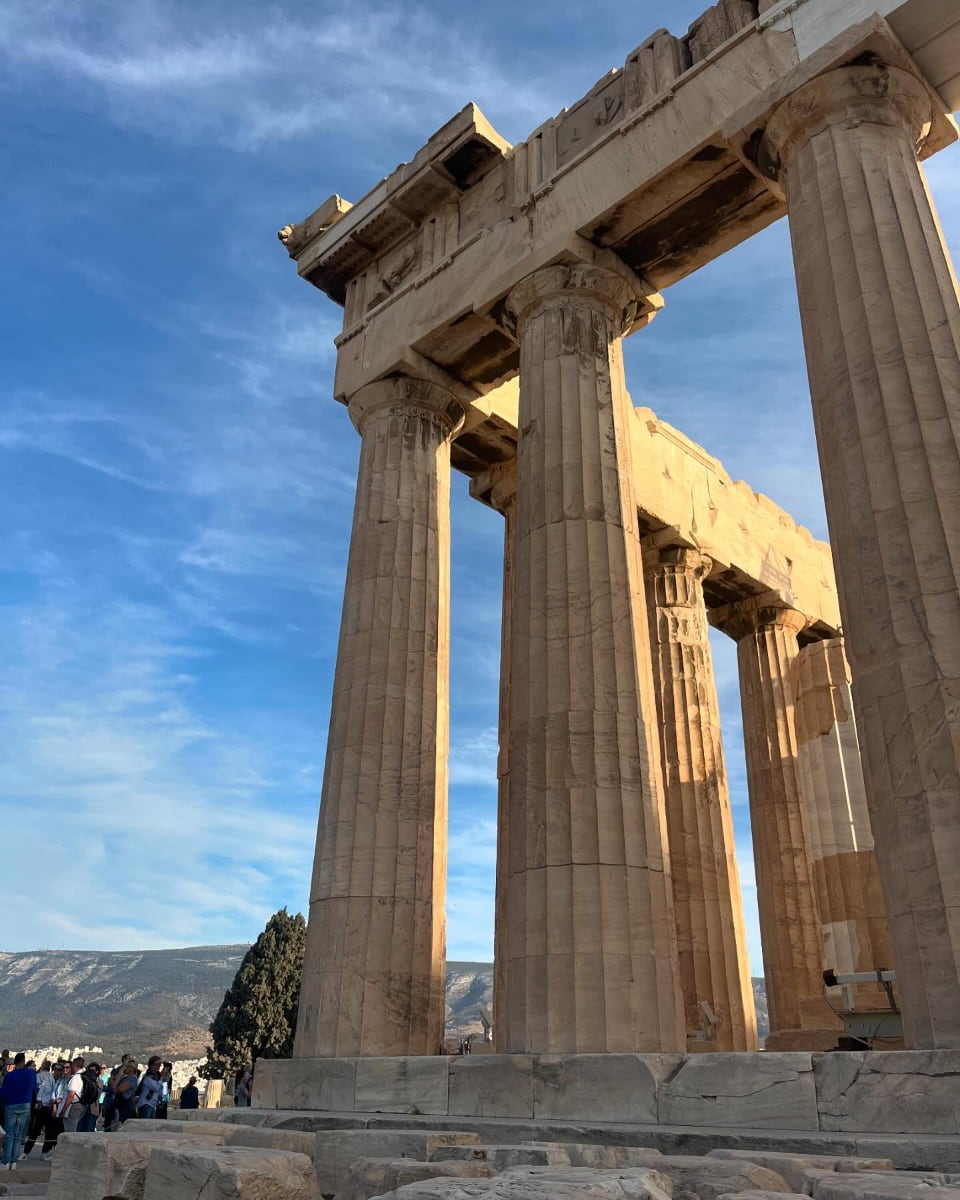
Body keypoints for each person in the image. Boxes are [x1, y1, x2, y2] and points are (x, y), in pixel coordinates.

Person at [0, 1053, 38, 1170]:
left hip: (11, 1105)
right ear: (23, 1061)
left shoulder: (10, 1076)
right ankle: (14, 1161)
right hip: (25, 1105)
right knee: (19, 1134)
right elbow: (34, 1089)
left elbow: (3, 1093)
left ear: (14, 1063)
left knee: (10, 1133)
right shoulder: (31, 1074)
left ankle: (6, 1161)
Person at [23, 1060, 54, 1160]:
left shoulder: (39, 1076)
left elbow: (36, 1089)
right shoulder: (50, 1077)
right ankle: (43, 1153)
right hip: (45, 1105)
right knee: (44, 1131)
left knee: (37, 1130)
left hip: (42, 1105)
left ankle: (26, 1152)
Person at [56, 1057, 86, 1134]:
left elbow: (71, 1095)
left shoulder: (75, 1078)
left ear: (75, 1065)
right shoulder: (84, 1076)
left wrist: (63, 1110)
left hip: (74, 1105)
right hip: (83, 1104)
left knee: (70, 1129)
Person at [76, 1064, 101, 1133]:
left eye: (93, 1070)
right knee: (79, 1128)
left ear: (97, 1071)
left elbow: (97, 1094)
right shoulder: (83, 1080)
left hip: (93, 1108)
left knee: (89, 1130)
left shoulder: (99, 1082)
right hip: (83, 1106)